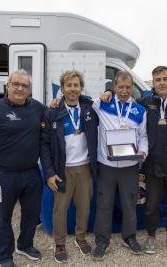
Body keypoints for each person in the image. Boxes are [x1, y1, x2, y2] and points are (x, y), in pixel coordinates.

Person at [102, 65, 167, 257]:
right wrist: (108, 92)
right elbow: (123, 97)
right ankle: (151, 236)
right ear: (153, 83)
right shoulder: (146, 102)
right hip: (153, 165)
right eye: (158, 80)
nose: (162, 83)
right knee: (151, 206)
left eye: (165, 79)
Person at [0, 69, 46, 267]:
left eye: (24, 86)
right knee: (3, 218)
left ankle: (24, 245)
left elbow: (59, 111)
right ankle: (5, 256)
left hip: (31, 173)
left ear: (29, 89)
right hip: (2, 175)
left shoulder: (38, 108)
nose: (20, 89)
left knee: (32, 214)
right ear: (8, 86)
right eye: (16, 84)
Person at [40, 70, 98, 263]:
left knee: (84, 207)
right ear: (62, 88)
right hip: (62, 169)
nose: (73, 89)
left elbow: (106, 101)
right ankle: (60, 243)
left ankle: (80, 238)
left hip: (85, 168)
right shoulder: (52, 112)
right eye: (69, 85)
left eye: (76, 85)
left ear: (81, 88)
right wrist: (49, 173)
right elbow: (44, 146)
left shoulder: (90, 108)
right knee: (60, 209)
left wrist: (108, 94)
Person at [92, 71, 148, 261]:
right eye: (120, 87)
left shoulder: (140, 110)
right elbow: (76, 98)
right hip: (107, 164)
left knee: (129, 203)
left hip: (130, 165)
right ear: (114, 87)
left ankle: (129, 237)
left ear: (132, 87)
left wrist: (143, 151)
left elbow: (144, 136)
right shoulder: (102, 103)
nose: (124, 91)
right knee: (104, 204)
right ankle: (102, 241)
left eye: (127, 87)